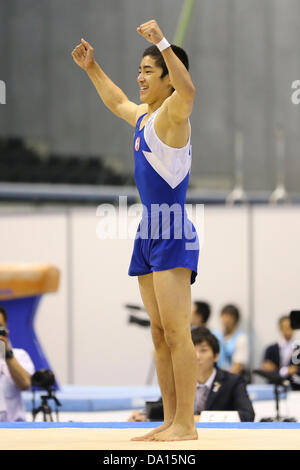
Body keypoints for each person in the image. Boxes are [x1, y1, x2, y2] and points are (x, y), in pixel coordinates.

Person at [72, 20, 199, 442]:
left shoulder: (174, 116)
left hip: (172, 226)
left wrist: (163, 44)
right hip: (148, 227)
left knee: (179, 331)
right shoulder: (145, 116)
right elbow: (118, 101)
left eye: (148, 70)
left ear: (167, 77)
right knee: (159, 332)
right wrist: (92, 68)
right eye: (140, 69)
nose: (140, 77)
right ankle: (169, 419)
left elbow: (190, 92)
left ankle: (187, 424)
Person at [129, 326, 255, 422]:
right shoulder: (179, 381)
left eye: (203, 350)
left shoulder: (233, 382)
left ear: (216, 356)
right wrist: (144, 415)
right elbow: (164, 408)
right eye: (191, 350)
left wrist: (202, 418)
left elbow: (247, 415)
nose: (196, 356)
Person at [0, 306, 35, 421]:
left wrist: (7, 354)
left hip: (14, 430)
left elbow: (25, 384)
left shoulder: (19, 355)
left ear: (6, 330)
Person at [262, 315, 300, 390]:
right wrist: (286, 371)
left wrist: (276, 369)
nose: (287, 329)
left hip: (296, 388)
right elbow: (267, 370)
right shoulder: (271, 349)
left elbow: (297, 370)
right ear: (280, 328)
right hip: (274, 388)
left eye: (290, 326)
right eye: (285, 327)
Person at [214, 304, 249, 377]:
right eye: (224, 316)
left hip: (231, 377)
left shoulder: (241, 338)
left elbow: (238, 366)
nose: (226, 320)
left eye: (230, 317)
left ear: (236, 320)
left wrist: (225, 380)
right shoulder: (216, 336)